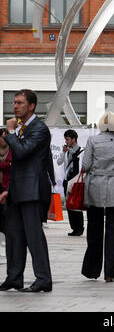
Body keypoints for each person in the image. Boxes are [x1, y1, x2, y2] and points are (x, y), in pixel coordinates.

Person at [0, 89, 52, 292]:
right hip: (18, 190)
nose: (15, 106)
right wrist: (9, 190)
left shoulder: (39, 129)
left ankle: (43, 279)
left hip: (33, 190)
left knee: (34, 236)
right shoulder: (22, 128)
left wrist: (11, 133)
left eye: (20, 103)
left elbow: (21, 153)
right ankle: (14, 277)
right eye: (14, 102)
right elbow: (17, 165)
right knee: (13, 235)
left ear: (31, 106)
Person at [81, 112, 114, 282]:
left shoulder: (92, 141)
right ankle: (110, 273)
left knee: (94, 229)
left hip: (95, 186)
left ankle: (92, 269)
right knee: (113, 230)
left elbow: (86, 165)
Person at [57, 129, 84, 236]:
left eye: (68, 139)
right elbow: (59, 162)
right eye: (65, 139)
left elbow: (83, 166)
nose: (66, 141)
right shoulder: (66, 151)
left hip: (77, 181)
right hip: (66, 181)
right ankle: (73, 228)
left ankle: (79, 228)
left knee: (77, 204)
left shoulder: (82, 151)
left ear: (74, 139)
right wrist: (63, 152)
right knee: (69, 205)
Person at [0, 128, 11, 263]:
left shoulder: (12, 149)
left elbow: (13, 164)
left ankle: (6, 242)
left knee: (5, 215)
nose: (4, 140)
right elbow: (9, 164)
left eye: (6, 138)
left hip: (7, 186)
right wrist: (6, 165)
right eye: (2, 138)